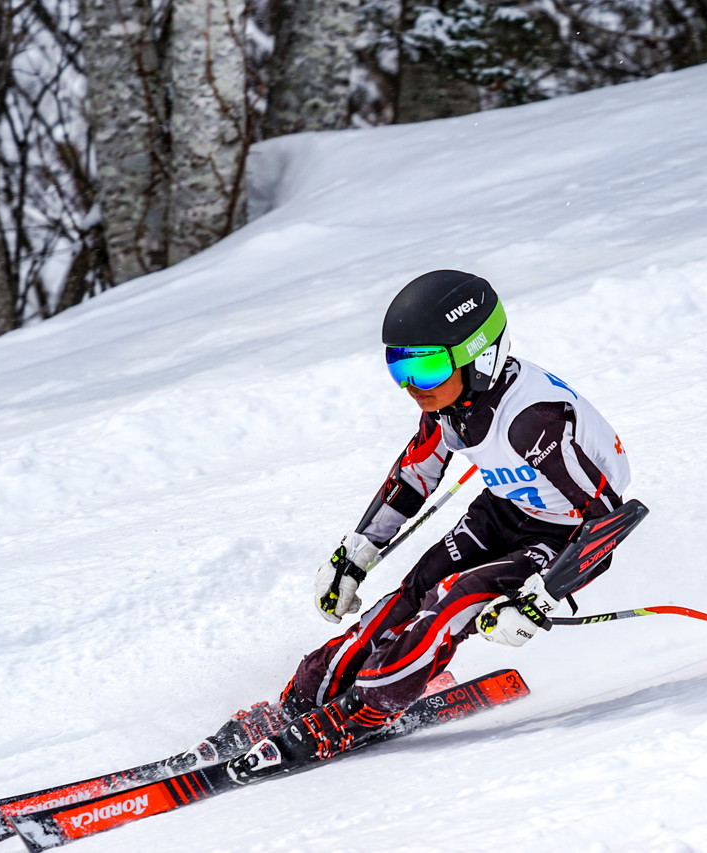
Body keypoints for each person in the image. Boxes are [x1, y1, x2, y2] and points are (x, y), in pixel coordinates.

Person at [193, 270, 631, 778]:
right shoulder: (454, 405)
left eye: (425, 368)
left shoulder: (534, 420)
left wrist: (539, 596)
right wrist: (353, 556)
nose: (409, 385)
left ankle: (371, 706)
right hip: (503, 510)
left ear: (479, 355)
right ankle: (305, 698)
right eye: (398, 366)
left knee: (456, 595)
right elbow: (413, 476)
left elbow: (609, 520)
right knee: (413, 591)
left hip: (562, 533)